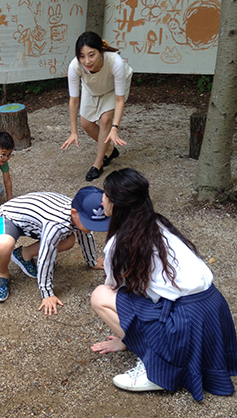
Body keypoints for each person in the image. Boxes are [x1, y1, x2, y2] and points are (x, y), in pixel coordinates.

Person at [90, 168, 237, 401]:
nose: (101, 199)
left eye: (105, 194)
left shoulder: (120, 243)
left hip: (186, 317)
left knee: (100, 296)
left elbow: (115, 289)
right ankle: (135, 342)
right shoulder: (158, 224)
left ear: (116, 204)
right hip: (214, 307)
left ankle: (155, 366)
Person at [0, 187, 110, 314]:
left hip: (36, 222)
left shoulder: (79, 211)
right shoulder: (56, 225)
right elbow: (45, 256)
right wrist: (47, 293)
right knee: (3, 245)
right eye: (90, 223)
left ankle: (23, 255)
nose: (94, 227)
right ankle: (2, 274)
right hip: (11, 217)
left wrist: (92, 261)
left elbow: (85, 234)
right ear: (74, 213)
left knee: (68, 240)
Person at [61, 32, 133, 182]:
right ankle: (111, 150)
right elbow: (74, 100)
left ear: (101, 51)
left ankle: (98, 163)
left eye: (91, 55)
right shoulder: (75, 66)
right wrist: (74, 131)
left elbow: (119, 100)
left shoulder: (116, 62)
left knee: (105, 119)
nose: (87, 61)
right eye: (82, 56)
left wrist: (115, 128)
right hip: (92, 87)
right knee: (86, 123)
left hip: (114, 88)